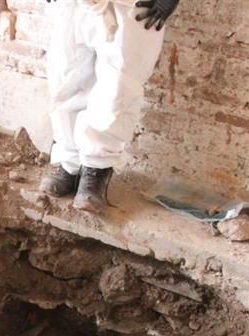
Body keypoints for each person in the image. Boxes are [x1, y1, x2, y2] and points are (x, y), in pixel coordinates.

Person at [39, 0, 180, 212]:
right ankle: (70, 163)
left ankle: (96, 170)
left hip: (131, 5)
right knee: (66, 80)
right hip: (74, 4)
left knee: (118, 90)